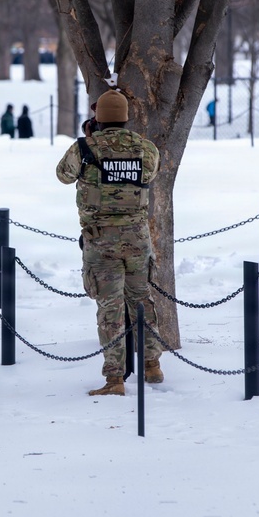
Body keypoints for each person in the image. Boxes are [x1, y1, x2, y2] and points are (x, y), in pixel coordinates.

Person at [56, 88, 166, 396]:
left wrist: (89, 140)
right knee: (142, 300)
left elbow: (63, 175)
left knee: (110, 311)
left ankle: (115, 379)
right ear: (126, 118)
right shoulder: (146, 149)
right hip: (137, 240)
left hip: (101, 243)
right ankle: (152, 365)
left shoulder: (85, 149)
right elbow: (151, 172)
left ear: (98, 118)